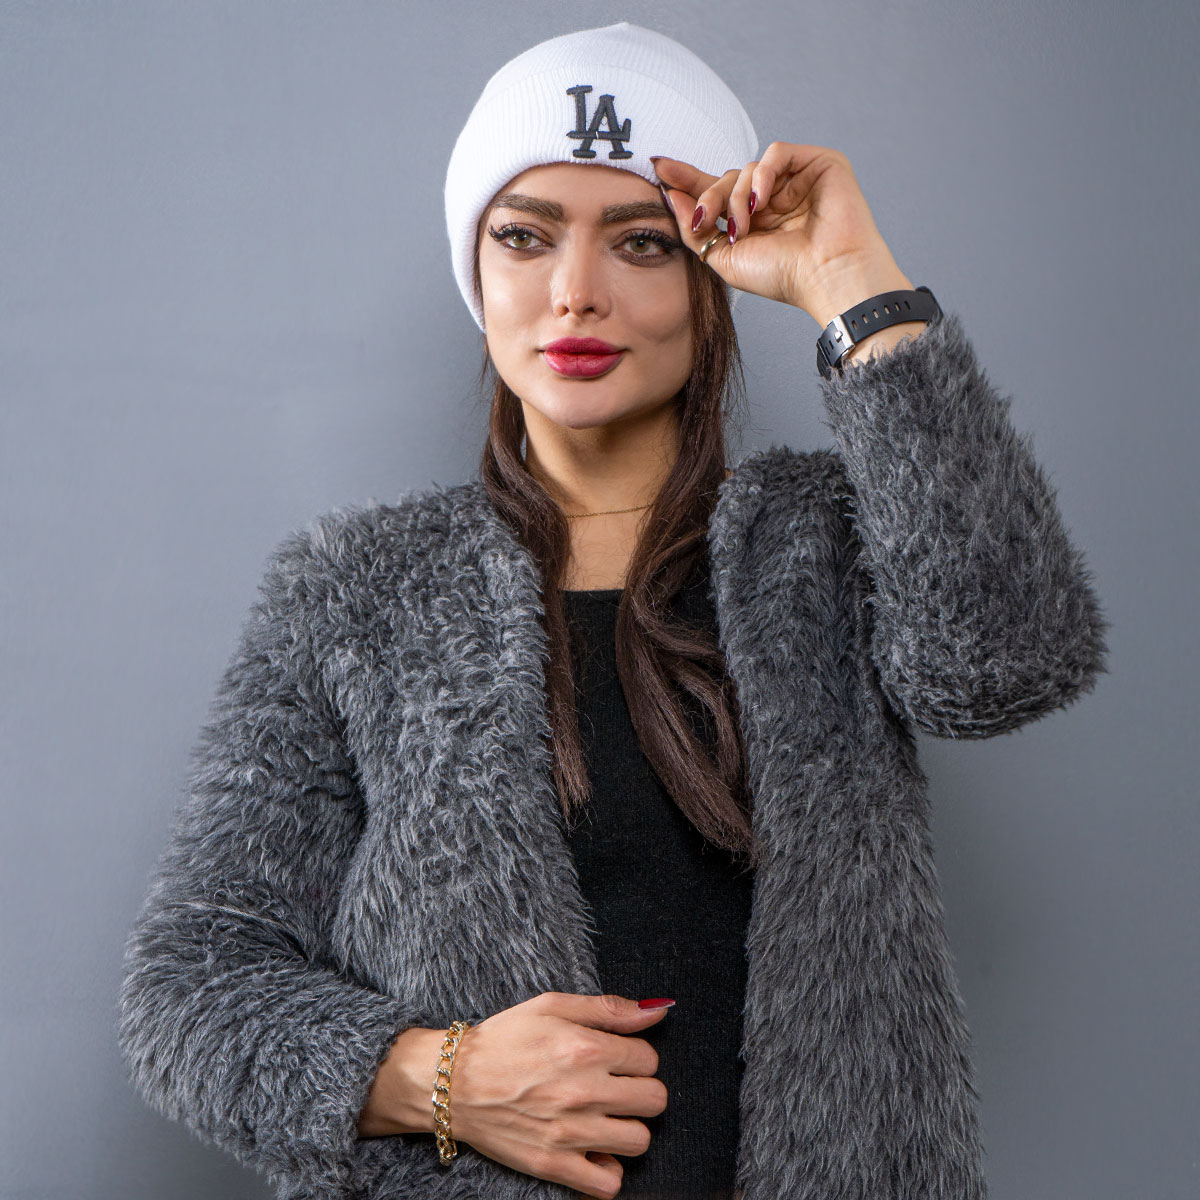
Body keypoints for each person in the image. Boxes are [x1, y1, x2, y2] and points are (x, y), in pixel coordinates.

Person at [116, 21, 1109, 1200]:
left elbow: (1011, 659)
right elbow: (192, 983)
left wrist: (852, 281)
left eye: (641, 242)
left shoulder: (831, 543)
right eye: (524, 236)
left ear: (707, 277)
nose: (575, 293)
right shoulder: (355, 591)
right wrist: (444, 1078)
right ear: (476, 269)